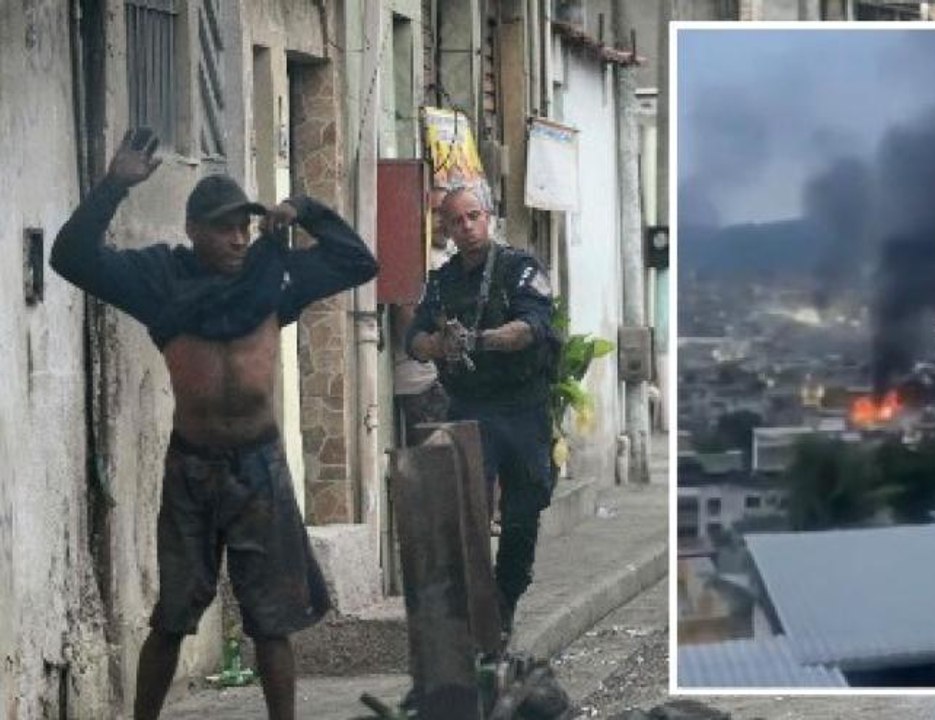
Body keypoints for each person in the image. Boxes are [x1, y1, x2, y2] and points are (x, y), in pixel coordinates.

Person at [50, 128, 378, 720]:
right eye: (224, 227)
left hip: (260, 469)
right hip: (192, 470)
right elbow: (70, 257)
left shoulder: (273, 277)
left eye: (244, 227)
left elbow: (359, 261)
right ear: (193, 230)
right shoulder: (160, 280)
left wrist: (304, 208)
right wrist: (114, 186)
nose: (238, 238)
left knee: (271, 622)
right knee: (172, 618)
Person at [404, 185, 556, 635]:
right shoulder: (442, 282)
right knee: (466, 514)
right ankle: (476, 611)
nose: (467, 227)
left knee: (522, 515)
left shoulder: (519, 268)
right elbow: (414, 340)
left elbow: (531, 327)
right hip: (471, 409)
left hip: (522, 408)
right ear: (447, 229)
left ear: (488, 217)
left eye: (474, 216)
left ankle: (505, 600)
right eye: (457, 220)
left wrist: (478, 340)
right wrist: (439, 345)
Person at [391, 186, 455, 443]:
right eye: (434, 212)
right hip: (423, 382)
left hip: (447, 381)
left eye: (446, 213)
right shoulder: (414, 258)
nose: (441, 221)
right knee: (434, 460)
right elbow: (406, 320)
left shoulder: (448, 258)